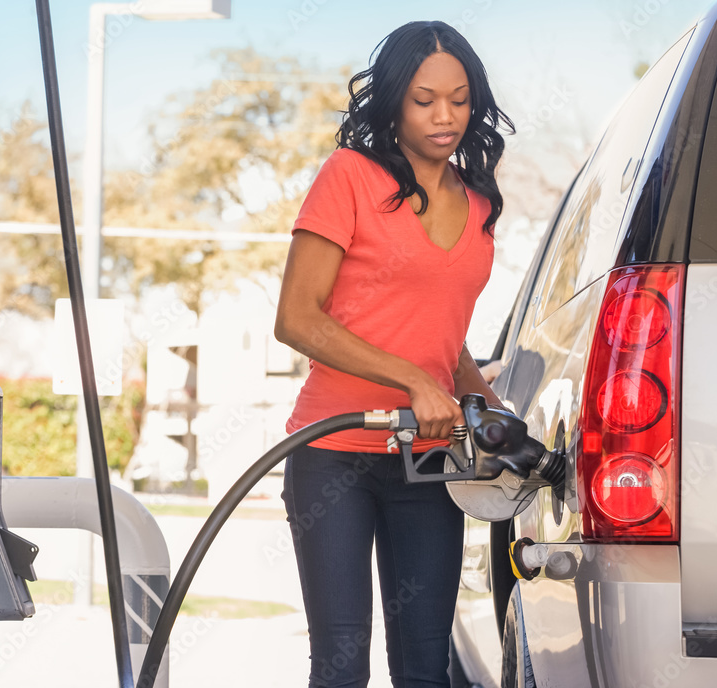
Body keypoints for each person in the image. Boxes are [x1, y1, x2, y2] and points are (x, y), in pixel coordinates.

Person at [274, 20, 515, 688]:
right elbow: (296, 318)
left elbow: (441, 333)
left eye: (460, 99)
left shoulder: (479, 203)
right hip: (333, 454)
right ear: (392, 103)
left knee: (424, 664)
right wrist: (412, 379)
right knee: (342, 664)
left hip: (431, 456)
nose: (446, 116)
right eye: (424, 99)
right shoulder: (348, 177)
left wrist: (490, 409)